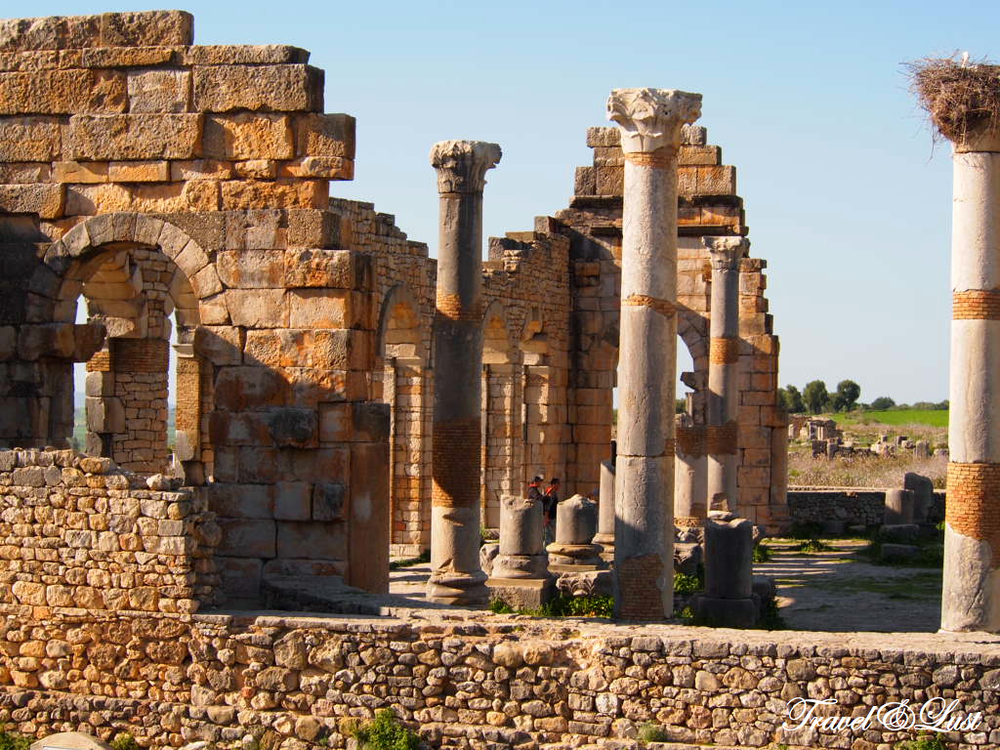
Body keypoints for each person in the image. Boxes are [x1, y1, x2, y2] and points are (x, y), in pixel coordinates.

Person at [543, 478, 560, 546]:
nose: (559, 486)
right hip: (550, 518)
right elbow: (547, 506)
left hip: (552, 517)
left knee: (550, 535)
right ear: (554, 484)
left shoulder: (553, 492)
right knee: (549, 536)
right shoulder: (551, 493)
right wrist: (546, 518)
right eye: (558, 484)